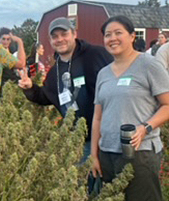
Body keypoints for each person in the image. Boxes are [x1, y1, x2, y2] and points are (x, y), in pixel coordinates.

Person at [91, 15, 169, 200]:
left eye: (119, 33)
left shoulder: (149, 65)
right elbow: (97, 118)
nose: (112, 38)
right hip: (108, 154)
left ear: (132, 36)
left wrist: (145, 128)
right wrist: (94, 154)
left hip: (140, 152)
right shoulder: (103, 73)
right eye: (108, 35)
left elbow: (167, 105)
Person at [18, 17, 113, 162]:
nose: (60, 39)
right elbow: (45, 96)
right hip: (78, 142)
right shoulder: (55, 72)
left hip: (106, 139)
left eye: (64, 34)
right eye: (54, 37)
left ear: (74, 34)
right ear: (50, 41)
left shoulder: (97, 54)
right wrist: (30, 87)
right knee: (83, 182)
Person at [0, 27, 26, 97]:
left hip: (12, 83)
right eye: (3, 39)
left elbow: (22, 64)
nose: (5, 41)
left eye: (8, 39)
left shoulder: (12, 52)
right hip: (0, 85)